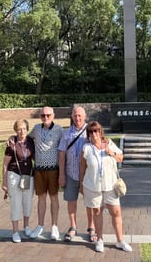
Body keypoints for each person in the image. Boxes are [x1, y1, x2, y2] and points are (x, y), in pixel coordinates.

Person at [79, 121, 132, 253]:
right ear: (88, 134)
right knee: (97, 212)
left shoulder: (109, 144)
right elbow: (82, 168)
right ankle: (100, 239)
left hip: (110, 185)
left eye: (96, 130)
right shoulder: (86, 148)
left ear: (100, 131)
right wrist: (80, 184)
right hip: (93, 186)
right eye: (91, 131)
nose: (94, 134)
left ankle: (120, 240)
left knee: (116, 212)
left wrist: (111, 153)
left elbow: (121, 157)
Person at [58, 106, 96, 242]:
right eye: (75, 116)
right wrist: (61, 174)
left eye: (80, 115)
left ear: (85, 116)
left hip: (88, 175)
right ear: (72, 117)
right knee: (71, 201)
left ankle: (91, 227)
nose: (77, 118)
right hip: (71, 173)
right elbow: (62, 154)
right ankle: (73, 226)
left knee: (90, 202)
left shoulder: (91, 131)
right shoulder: (66, 133)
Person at [28, 106, 63, 240]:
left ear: (53, 115)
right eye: (43, 115)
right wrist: (12, 138)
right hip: (39, 170)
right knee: (41, 198)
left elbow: (65, 147)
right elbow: (27, 138)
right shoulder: (36, 128)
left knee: (54, 197)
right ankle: (40, 225)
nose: (46, 118)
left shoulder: (59, 130)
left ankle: (54, 226)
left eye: (48, 115)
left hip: (53, 169)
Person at [2, 119, 35, 243]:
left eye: (24, 128)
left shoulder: (31, 141)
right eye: (19, 129)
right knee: (15, 203)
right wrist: (4, 182)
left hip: (28, 176)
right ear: (16, 130)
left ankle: (26, 226)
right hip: (14, 175)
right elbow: (5, 164)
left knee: (28, 202)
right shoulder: (11, 143)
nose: (22, 131)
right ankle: (15, 231)